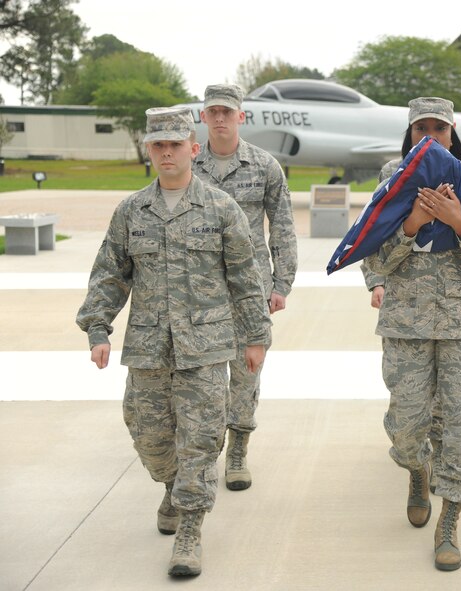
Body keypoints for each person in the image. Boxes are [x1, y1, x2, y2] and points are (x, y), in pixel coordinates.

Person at [75, 106, 272, 577]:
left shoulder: (220, 209)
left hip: (206, 347)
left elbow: (245, 279)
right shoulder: (131, 211)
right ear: (150, 150)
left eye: (176, 145)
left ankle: (189, 529)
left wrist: (255, 336)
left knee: (201, 440)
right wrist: (98, 328)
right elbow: (110, 274)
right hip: (148, 348)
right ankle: (170, 484)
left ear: (193, 149)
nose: (167, 152)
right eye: (159, 145)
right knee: (150, 437)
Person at [362, 96, 461, 572]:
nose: (430, 136)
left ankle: (449, 521)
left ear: (452, 131)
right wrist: (413, 224)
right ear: (409, 133)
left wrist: (457, 221)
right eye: (421, 128)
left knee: (459, 426)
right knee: (407, 428)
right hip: (406, 324)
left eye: (439, 128)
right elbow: (375, 258)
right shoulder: (393, 178)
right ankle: (416, 468)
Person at [192, 84, 298, 491]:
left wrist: (281, 282)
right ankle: (203, 450)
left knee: (246, 371)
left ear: (241, 116)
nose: (220, 118)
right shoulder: (188, 164)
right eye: (213, 112)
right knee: (200, 375)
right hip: (197, 287)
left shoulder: (265, 166)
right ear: (203, 117)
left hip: (249, 288)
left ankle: (237, 449)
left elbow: (282, 226)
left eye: (227, 111)